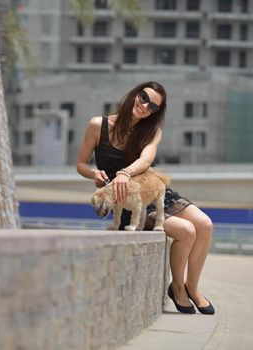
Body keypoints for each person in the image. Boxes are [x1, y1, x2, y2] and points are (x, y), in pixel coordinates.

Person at [76, 81, 215, 315]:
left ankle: (192, 286)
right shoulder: (97, 125)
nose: (145, 106)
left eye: (152, 107)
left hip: (152, 190)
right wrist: (94, 173)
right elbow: (80, 164)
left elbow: (146, 160)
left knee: (205, 224)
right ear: (134, 94)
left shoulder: (152, 132)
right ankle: (177, 288)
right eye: (144, 98)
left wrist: (124, 172)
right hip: (128, 201)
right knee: (187, 231)